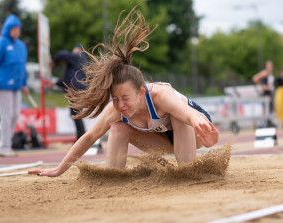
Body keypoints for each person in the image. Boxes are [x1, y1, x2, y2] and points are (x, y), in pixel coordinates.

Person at [29, 7, 219, 177]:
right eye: (115, 99)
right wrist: (58, 170)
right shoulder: (116, 109)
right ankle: (114, 177)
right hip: (165, 138)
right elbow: (89, 137)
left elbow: (188, 114)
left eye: (125, 98)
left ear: (141, 93)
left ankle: (187, 172)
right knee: (118, 127)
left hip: (195, 131)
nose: (121, 105)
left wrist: (203, 127)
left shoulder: (160, 96)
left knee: (179, 114)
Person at [0, 14, 29, 157]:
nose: (16, 32)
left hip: (17, 87)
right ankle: (4, 147)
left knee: (15, 115)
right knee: (6, 116)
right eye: (14, 29)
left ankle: (6, 143)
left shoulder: (21, 46)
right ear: (8, 29)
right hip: (2, 85)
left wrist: (25, 84)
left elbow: (22, 67)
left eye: (18, 29)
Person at [51, 45, 88, 140]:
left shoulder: (78, 57)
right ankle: (81, 137)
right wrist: (55, 83)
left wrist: (54, 60)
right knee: (76, 114)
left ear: (79, 50)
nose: (72, 52)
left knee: (76, 114)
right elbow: (68, 80)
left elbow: (62, 54)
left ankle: (82, 137)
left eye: (74, 50)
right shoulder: (79, 62)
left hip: (76, 90)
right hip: (78, 89)